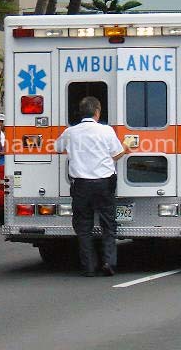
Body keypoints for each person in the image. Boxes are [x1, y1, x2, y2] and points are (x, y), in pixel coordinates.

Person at [54, 97, 128, 277]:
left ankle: (89, 267)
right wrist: (125, 147)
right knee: (108, 225)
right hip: (104, 183)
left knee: (83, 227)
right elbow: (117, 154)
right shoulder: (106, 131)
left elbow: (57, 147)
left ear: (81, 112)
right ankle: (109, 263)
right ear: (97, 112)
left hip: (81, 185)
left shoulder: (71, 132)